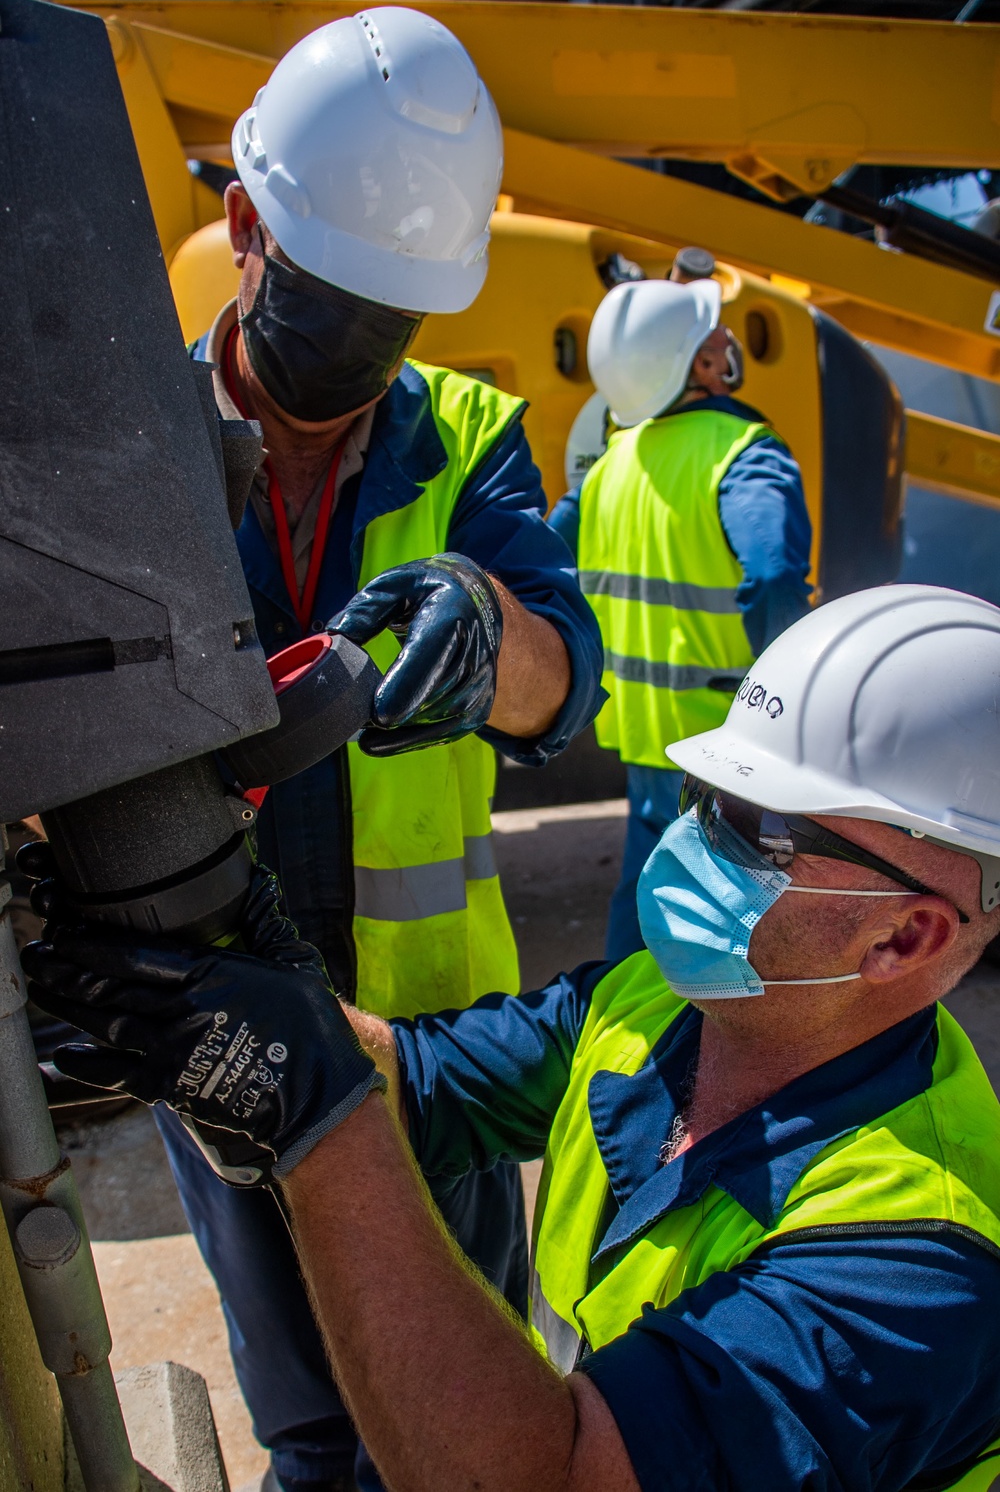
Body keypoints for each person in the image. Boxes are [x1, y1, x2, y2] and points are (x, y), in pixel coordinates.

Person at [25, 582, 1000, 1492]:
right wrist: (251, 975)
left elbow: (561, 1472)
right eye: (705, 795)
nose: (691, 840)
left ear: (904, 934)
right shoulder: (651, 1007)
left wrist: (318, 1118)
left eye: (758, 829)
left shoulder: (917, 1261)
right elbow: (417, 1082)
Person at [161, 9, 603, 1491]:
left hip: (425, 1048)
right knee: (310, 1416)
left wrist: (491, 630)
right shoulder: (126, 442)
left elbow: (563, 677)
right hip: (216, 1018)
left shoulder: (466, 430)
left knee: (466, 1409)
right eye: (333, 308)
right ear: (245, 229)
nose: (354, 364)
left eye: (391, 325)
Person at [550, 276, 812, 960]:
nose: (727, 339)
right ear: (699, 364)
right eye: (715, 331)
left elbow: (546, 561)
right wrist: (794, 697)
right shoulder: (743, 451)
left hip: (643, 733)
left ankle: (613, 1032)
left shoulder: (609, 467)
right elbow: (775, 577)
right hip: (732, 738)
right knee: (733, 926)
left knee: (647, 901)